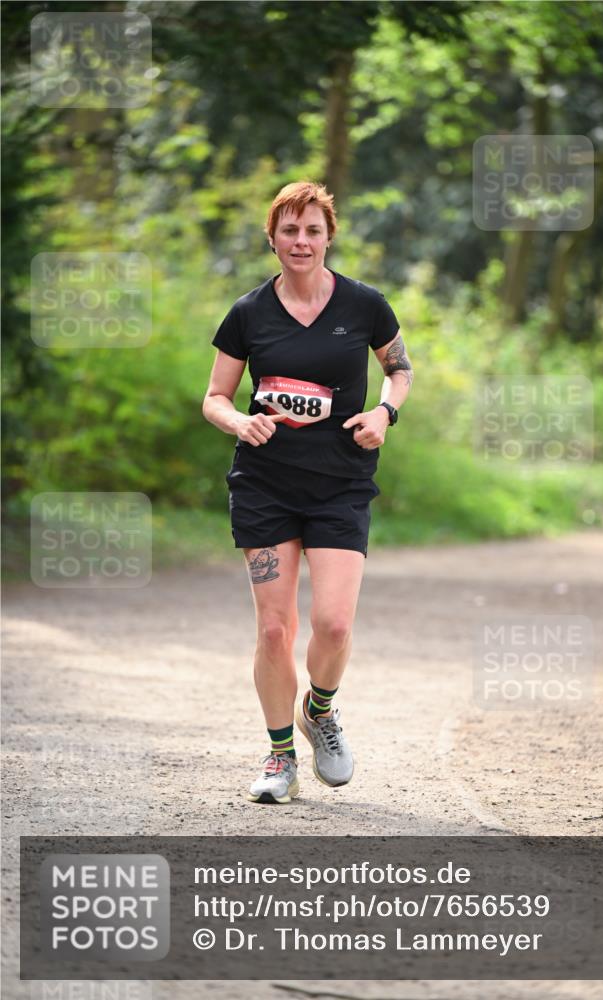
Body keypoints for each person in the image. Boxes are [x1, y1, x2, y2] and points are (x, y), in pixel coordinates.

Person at [202, 181, 413, 803]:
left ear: (329, 236)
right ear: (272, 238)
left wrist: (384, 414)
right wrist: (240, 420)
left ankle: (319, 710)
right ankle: (278, 757)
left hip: (341, 484)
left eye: (312, 230)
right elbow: (214, 396)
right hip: (265, 483)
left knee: (335, 624)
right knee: (274, 631)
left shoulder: (365, 305)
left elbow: (398, 369)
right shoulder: (247, 314)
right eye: (289, 230)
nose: (301, 241)